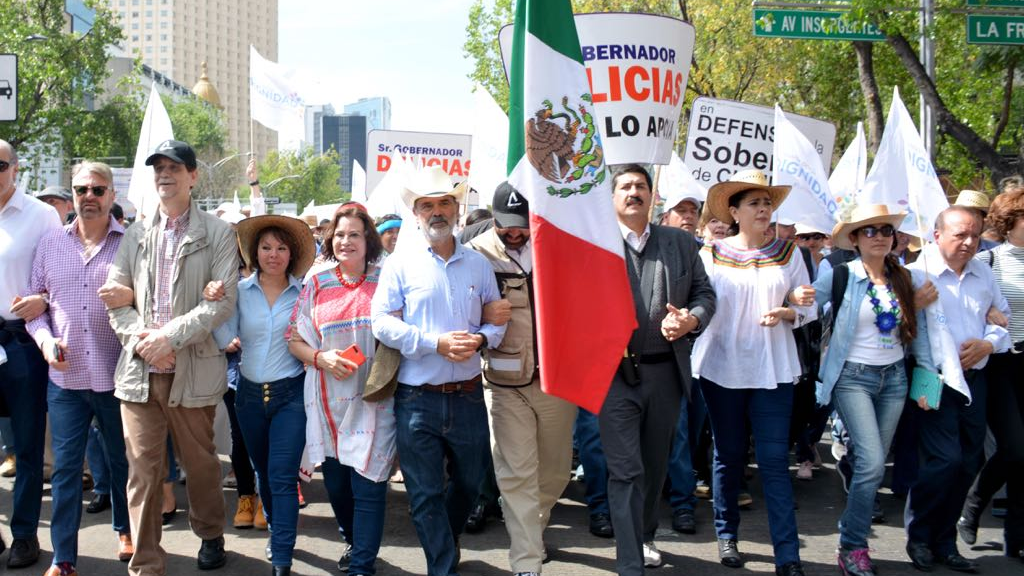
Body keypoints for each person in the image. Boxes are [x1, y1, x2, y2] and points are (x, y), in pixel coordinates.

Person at [105, 139, 238, 576]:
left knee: (200, 467)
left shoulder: (218, 234)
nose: (165, 174)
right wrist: (138, 338)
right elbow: (115, 298)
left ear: (193, 176)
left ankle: (210, 531)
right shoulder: (137, 235)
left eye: (174, 167)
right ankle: (145, 563)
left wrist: (169, 337)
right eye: (158, 167)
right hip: (140, 372)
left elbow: (222, 304)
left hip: (192, 370)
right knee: (142, 474)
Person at [371, 166, 506, 576]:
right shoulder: (399, 264)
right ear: (415, 214)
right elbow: (381, 322)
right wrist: (434, 343)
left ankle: (443, 543)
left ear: (456, 208)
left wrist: (481, 339)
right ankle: (442, 567)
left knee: (471, 481)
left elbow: (497, 319)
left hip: (467, 394)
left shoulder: (479, 265)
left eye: (443, 203)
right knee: (425, 494)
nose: (436, 212)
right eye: (426, 205)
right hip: (416, 400)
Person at [693, 169, 816, 576]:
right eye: (754, 203)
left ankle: (788, 555)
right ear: (734, 211)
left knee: (774, 460)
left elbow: (808, 306)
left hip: (773, 370)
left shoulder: (789, 252)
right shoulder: (709, 254)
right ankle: (727, 535)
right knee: (728, 456)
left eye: (767, 203)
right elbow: (699, 304)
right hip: (722, 368)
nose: (763, 209)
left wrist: (792, 309)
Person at [600, 164, 716, 575]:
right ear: (612, 197)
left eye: (641, 186)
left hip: (666, 373)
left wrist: (691, 319)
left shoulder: (681, 243)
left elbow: (705, 294)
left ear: (653, 196)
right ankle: (629, 561)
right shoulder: (594, 243)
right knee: (626, 470)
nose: (633, 192)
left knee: (654, 465)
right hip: (612, 377)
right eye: (625, 186)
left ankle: (644, 535)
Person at [812, 205, 935, 576]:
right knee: (869, 464)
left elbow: (920, 332)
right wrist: (789, 307)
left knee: (875, 464)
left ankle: (851, 538)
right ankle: (853, 545)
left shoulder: (906, 277)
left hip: (895, 378)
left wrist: (927, 379)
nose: (880, 236)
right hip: (852, 378)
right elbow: (805, 307)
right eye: (870, 231)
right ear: (854, 239)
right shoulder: (841, 275)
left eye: (886, 230)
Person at [27, 161, 134, 576]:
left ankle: (125, 530)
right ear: (72, 195)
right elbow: (34, 305)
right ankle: (63, 557)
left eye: (97, 189)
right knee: (68, 470)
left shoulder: (132, 243)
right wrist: (44, 340)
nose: (88, 196)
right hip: (65, 379)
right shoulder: (51, 243)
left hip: (116, 376)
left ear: (112, 196)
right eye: (81, 189)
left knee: (123, 462)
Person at [466, 181, 575, 576]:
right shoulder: (475, 255)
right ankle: (527, 561)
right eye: (505, 225)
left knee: (556, 470)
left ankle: (534, 523)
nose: (514, 233)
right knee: (516, 474)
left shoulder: (558, 248)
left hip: (557, 380)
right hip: (503, 381)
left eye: (522, 225)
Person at [289, 206, 397, 576]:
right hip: (327, 402)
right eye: (339, 235)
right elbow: (295, 339)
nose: (345, 241)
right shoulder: (317, 282)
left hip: (376, 399)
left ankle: (362, 566)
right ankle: (353, 542)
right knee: (337, 486)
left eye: (354, 234)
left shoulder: (388, 278)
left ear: (369, 239)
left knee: (368, 483)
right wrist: (321, 357)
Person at [206, 215, 314, 576]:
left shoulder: (306, 292)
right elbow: (221, 325)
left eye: (282, 247)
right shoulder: (238, 290)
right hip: (248, 396)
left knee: (283, 476)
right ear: (254, 252)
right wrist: (224, 333)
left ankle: (282, 556)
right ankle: (277, 534)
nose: (273, 254)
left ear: (292, 253)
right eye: (266, 247)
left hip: (291, 395)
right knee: (265, 475)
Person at [904, 206, 1010, 573]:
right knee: (942, 461)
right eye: (960, 235)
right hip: (932, 379)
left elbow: (1003, 319)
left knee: (968, 461)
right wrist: (911, 304)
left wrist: (988, 344)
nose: (968, 242)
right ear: (937, 235)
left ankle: (945, 542)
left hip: (975, 380)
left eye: (975, 235)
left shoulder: (983, 272)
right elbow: (892, 327)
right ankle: (919, 537)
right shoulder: (917, 273)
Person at [0, 139, 63, 568]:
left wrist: (41, 298)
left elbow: (59, 277)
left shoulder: (41, 216)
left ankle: (25, 535)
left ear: (16, 168)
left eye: (0, 164)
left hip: (21, 340)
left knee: (26, 446)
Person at [958, 188, 1024, 562]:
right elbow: (969, 301)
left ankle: (1017, 535)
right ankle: (975, 500)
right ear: (1010, 222)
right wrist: (986, 316)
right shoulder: (990, 260)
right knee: (1015, 448)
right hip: (1001, 362)